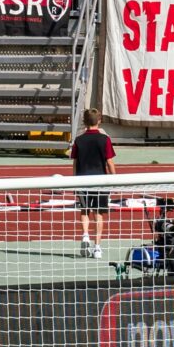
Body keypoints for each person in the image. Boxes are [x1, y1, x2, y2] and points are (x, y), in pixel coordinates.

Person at [70, 107, 116, 259]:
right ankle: (97, 247)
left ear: (84, 122)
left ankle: (85, 234)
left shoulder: (78, 140)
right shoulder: (105, 139)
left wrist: (75, 179)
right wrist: (114, 179)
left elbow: (75, 163)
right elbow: (109, 162)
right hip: (100, 181)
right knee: (99, 214)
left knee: (84, 210)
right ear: (100, 121)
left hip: (82, 179)